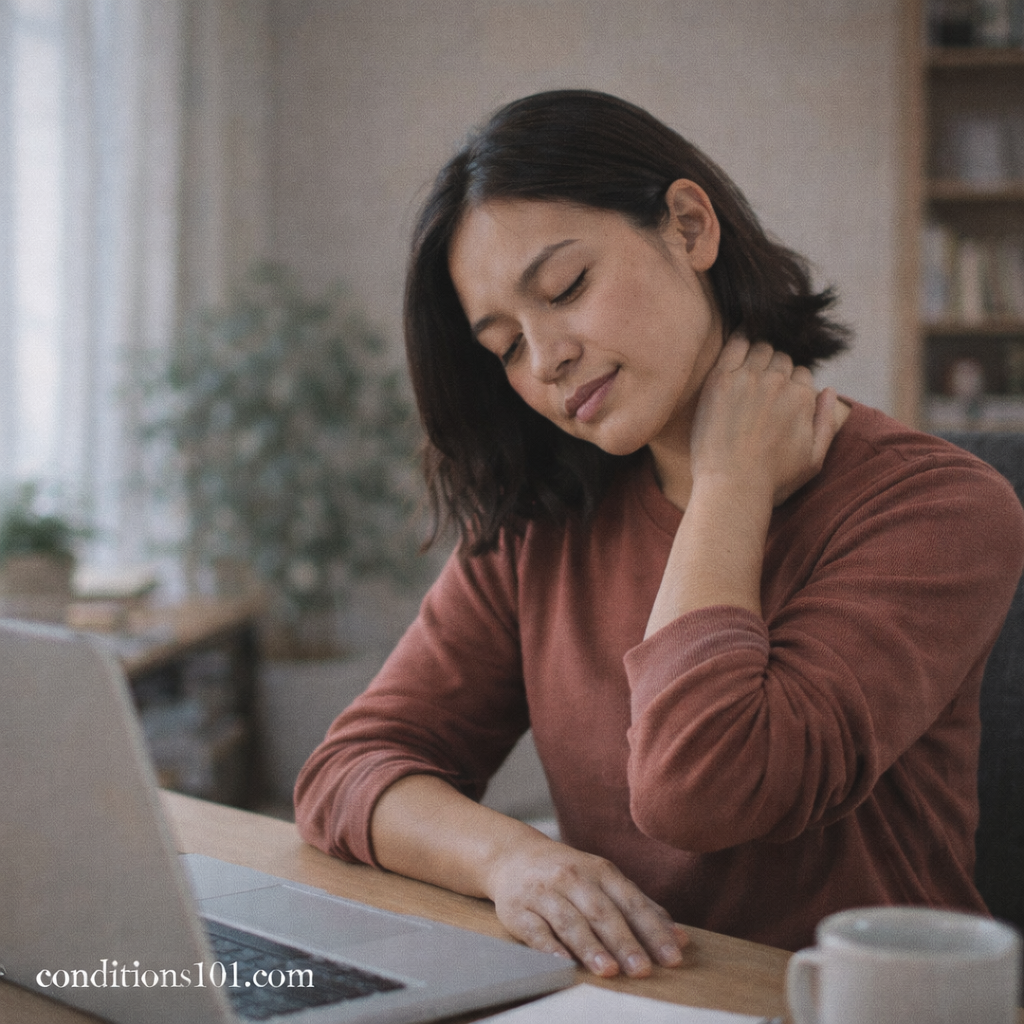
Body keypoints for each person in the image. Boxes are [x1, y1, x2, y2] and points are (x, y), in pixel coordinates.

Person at [294, 90, 1024, 978]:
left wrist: (728, 482)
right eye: (505, 347)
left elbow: (703, 790)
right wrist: (517, 860)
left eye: (565, 288)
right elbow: (350, 772)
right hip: (628, 998)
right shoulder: (541, 521)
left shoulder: (938, 506)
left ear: (688, 227)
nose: (547, 358)